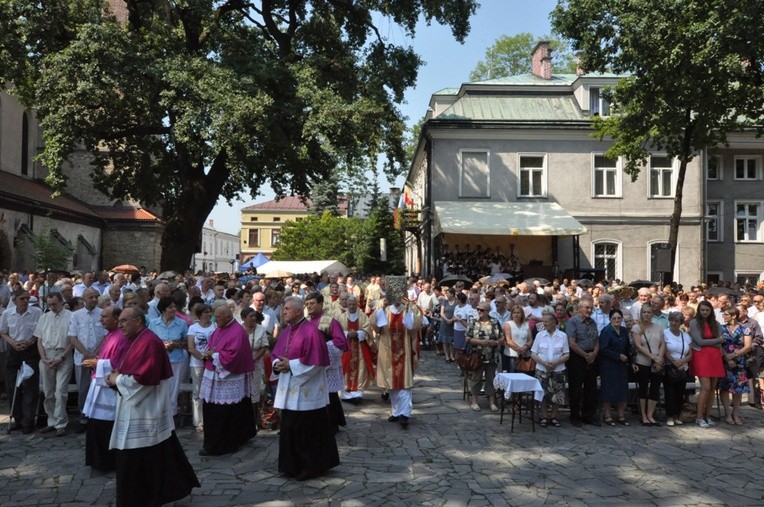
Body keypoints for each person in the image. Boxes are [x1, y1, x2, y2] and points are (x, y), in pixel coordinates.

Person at [272, 296, 340, 481]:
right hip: (289, 386)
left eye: (287, 309)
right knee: (289, 427)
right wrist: (277, 364)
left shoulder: (311, 332)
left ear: (297, 310)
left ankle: (311, 466)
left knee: (306, 430)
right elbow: (277, 354)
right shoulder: (286, 331)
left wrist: (291, 365)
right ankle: (290, 465)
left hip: (307, 390)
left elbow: (317, 362)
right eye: (283, 309)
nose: (284, 312)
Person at [199, 304, 257, 456]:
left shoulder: (237, 331)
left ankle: (223, 444)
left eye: (217, 317)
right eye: (214, 317)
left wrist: (213, 355)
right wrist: (209, 352)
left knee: (223, 412)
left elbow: (233, 355)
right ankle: (213, 442)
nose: (215, 319)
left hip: (227, 377)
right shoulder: (220, 327)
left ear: (228, 317)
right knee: (212, 408)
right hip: (215, 373)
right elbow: (213, 344)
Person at [82, 306, 129, 471]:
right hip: (99, 385)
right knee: (95, 423)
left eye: (104, 316)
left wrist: (97, 363)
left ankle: (106, 461)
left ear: (116, 319)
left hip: (109, 388)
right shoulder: (110, 335)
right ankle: (97, 460)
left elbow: (120, 363)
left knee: (105, 424)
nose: (100, 319)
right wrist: (97, 360)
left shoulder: (122, 337)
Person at [373, 280, 422, 429]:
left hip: (405, 350)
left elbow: (414, 325)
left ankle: (405, 414)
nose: (396, 298)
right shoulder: (384, 308)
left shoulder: (409, 308)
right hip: (388, 350)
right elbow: (376, 325)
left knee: (405, 384)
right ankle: (395, 412)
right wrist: (383, 307)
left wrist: (407, 309)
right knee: (392, 383)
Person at [306, 292, 348, 433]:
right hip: (310, 366)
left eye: (312, 303)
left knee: (329, 395)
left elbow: (340, 342)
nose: (309, 306)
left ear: (321, 304)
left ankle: (332, 424)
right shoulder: (305, 321)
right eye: (307, 304)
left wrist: (323, 349)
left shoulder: (330, 321)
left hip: (327, 366)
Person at [1, 290, 42, 433]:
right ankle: (17, 419)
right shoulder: (8, 313)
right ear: (15, 299)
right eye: (22, 298)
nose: (25, 301)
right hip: (13, 351)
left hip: (30, 351)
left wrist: (30, 342)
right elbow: (3, 332)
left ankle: (28, 421)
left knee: (30, 386)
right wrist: (12, 343)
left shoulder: (36, 312)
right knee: (12, 386)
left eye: (27, 298)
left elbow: (39, 332)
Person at [35, 293, 73, 436]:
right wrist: (44, 358)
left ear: (61, 302)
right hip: (47, 355)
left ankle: (61, 423)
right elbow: (39, 340)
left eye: (54, 304)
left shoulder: (70, 316)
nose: (52, 307)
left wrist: (62, 358)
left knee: (60, 391)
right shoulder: (44, 317)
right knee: (48, 392)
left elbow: (72, 340)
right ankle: (51, 420)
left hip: (63, 354)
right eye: (49, 304)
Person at [68, 288, 106, 433]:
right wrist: (85, 353)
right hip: (82, 358)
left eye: (96, 297)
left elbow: (105, 336)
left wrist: (95, 354)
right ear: (84, 299)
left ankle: (98, 417)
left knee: (99, 387)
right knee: (83, 388)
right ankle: (83, 416)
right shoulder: (76, 316)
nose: (95, 300)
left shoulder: (102, 313)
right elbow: (73, 337)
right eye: (91, 297)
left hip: (99, 358)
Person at [148, 296, 189, 416]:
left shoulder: (181, 324)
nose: (173, 309)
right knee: (159, 387)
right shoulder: (154, 323)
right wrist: (160, 345)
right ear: (163, 309)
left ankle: (171, 416)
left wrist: (175, 344)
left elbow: (187, 342)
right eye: (170, 307)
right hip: (158, 361)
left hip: (176, 360)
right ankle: (158, 414)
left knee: (173, 388)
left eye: (174, 307)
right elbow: (149, 342)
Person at [689, 300, 725, 427]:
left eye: (707, 310)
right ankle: (699, 417)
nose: (705, 312)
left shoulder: (716, 324)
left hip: (715, 357)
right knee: (705, 387)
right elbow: (699, 341)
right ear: (699, 310)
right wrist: (716, 340)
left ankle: (708, 416)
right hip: (700, 356)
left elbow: (721, 342)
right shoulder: (694, 323)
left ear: (711, 312)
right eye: (702, 310)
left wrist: (713, 341)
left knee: (712, 389)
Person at [531, 313, 570, 428]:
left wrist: (556, 362)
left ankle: (554, 416)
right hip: (542, 369)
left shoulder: (562, 336)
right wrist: (543, 363)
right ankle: (544, 416)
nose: (544, 324)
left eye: (546, 322)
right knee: (543, 393)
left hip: (558, 369)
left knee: (557, 393)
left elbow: (566, 354)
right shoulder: (539, 335)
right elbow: (533, 353)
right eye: (543, 322)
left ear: (553, 322)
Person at [566, 299, 601, 427]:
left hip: (592, 356)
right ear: (580, 308)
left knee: (591, 388)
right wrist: (585, 355)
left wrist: (594, 353)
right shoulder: (572, 322)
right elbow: (572, 343)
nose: (589, 310)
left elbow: (597, 340)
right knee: (576, 388)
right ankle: (575, 416)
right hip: (577, 357)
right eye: (587, 308)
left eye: (591, 308)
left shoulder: (593, 322)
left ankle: (588, 415)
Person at [631, 304, 665, 426]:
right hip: (643, 361)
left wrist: (659, 358)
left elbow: (662, 344)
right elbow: (638, 345)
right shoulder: (636, 328)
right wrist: (653, 357)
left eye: (649, 312)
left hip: (657, 362)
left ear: (652, 313)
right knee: (643, 388)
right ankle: (643, 416)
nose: (647, 314)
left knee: (655, 388)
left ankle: (650, 414)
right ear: (641, 313)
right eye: (644, 312)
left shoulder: (658, 327)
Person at [718, 308, 753, 425]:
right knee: (724, 387)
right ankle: (727, 413)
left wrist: (733, 355)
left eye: (726, 314)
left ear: (733, 316)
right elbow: (719, 344)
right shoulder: (721, 328)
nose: (724, 316)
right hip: (725, 360)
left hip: (740, 361)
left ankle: (736, 413)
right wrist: (727, 357)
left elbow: (747, 346)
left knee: (738, 388)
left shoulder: (745, 328)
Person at [465, 302, 502, 412]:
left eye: (482, 310)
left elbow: (501, 338)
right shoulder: (474, 322)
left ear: (487, 311)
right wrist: (480, 342)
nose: (479, 312)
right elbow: (467, 338)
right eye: (478, 309)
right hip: (478, 354)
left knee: (490, 378)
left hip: (491, 354)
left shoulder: (494, 322)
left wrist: (494, 342)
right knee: (476, 378)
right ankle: (474, 401)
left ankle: (491, 402)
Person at [338, 295, 374, 404]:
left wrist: (358, 333)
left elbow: (368, 330)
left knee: (361, 368)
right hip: (346, 348)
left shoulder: (363, 316)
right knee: (345, 367)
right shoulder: (342, 317)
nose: (352, 306)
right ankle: (346, 395)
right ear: (346, 305)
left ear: (357, 304)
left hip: (360, 348)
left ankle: (358, 394)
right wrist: (347, 333)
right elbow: (338, 332)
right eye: (350, 304)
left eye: (354, 304)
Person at [598, 309, 631, 426]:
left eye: (619, 318)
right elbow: (603, 349)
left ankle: (621, 415)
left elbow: (628, 346)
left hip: (622, 365)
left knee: (621, 389)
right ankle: (607, 415)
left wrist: (630, 360)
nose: (617, 320)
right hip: (609, 365)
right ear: (610, 319)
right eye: (614, 318)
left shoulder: (623, 331)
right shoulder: (606, 331)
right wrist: (617, 356)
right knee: (609, 390)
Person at [187, 304, 216, 432]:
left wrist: (210, 357)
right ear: (200, 314)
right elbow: (191, 347)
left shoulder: (215, 327)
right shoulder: (193, 328)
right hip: (197, 363)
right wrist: (202, 358)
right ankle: (198, 421)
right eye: (206, 312)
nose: (209, 314)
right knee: (197, 392)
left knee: (211, 391)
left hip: (212, 362)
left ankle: (210, 418)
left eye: (210, 312)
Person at [662, 311, 693, 427]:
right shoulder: (665, 333)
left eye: (676, 321)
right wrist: (674, 362)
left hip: (682, 366)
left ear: (681, 323)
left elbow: (690, 354)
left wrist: (682, 362)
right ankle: (669, 416)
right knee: (670, 393)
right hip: (670, 366)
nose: (673, 323)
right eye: (672, 320)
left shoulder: (685, 335)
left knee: (680, 392)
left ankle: (677, 415)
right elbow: (664, 351)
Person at [240, 306, 269, 418]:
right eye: (250, 316)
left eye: (254, 316)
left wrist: (255, 358)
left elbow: (264, 346)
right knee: (241, 391)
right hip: (241, 365)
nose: (253, 318)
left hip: (255, 364)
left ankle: (253, 419)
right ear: (243, 318)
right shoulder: (238, 329)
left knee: (254, 391)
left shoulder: (260, 329)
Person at [503, 305, 532, 373]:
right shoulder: (508, 324)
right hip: (512, 356)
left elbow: (530, 340)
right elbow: (508, 340)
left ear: (522, 314)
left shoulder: (526, 325)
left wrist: (525, 347)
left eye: (518, 313)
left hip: (525, 355)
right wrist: (519, 349)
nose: (516, 315)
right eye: (514, 313)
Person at [439, 287, 457, 362]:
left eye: (448, 293)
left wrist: (452, 319)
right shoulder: (445, 302)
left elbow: (457, 311)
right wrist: (447, 319)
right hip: (444, 323)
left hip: (453, 323)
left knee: (451, 341)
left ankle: (452, 355)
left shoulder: (456, 302)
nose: (446, 294)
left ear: (452, 294)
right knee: (445, 340)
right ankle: (447, 356)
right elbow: (442, 312)